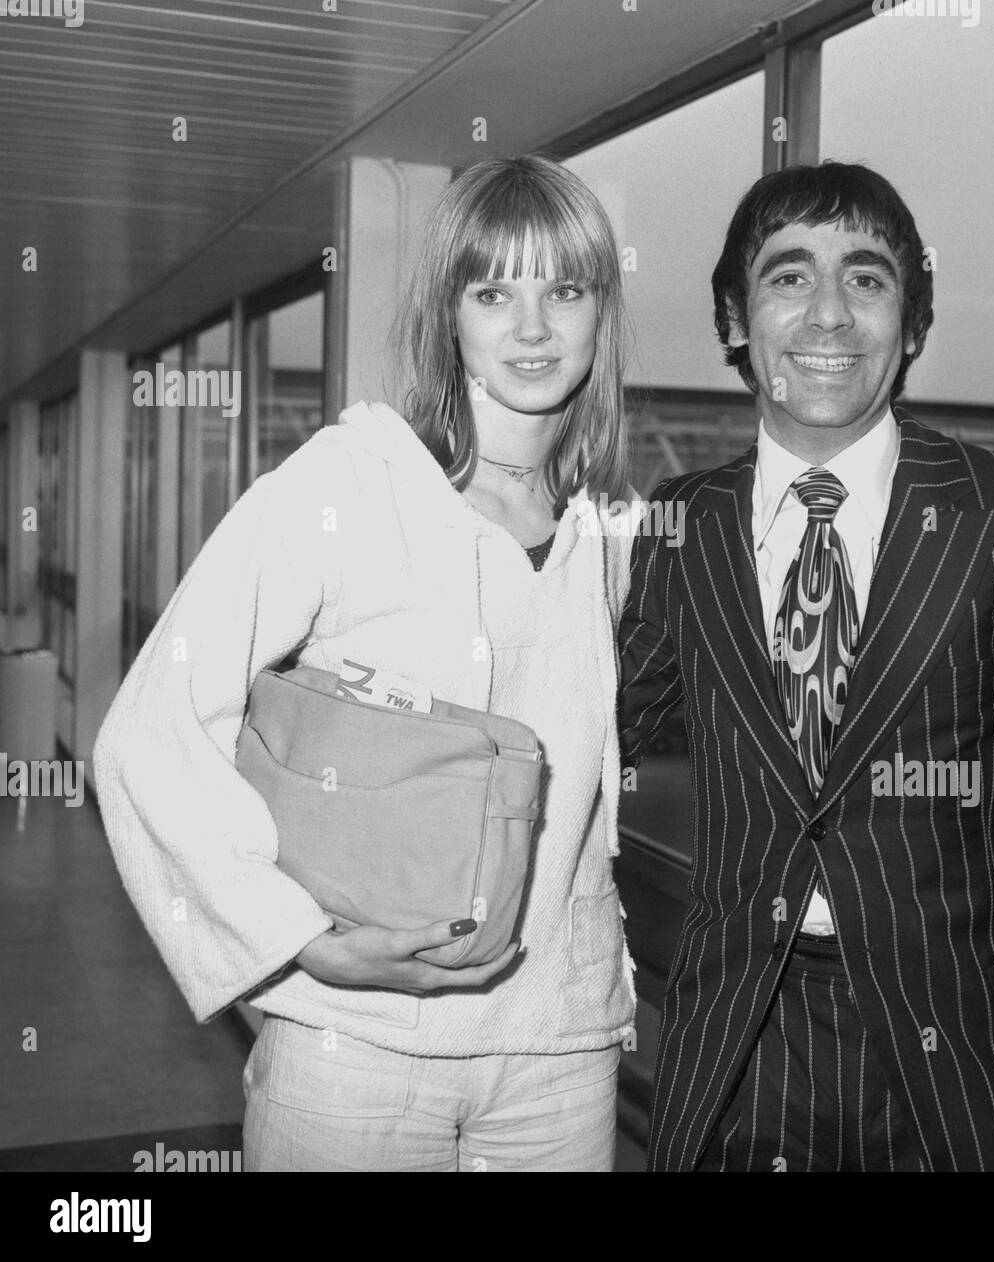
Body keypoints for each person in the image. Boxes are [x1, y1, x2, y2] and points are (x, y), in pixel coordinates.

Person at [94, 154, 638, 1172]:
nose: (531, 327)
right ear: (449, 316)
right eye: (493, 291)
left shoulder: (601, 533)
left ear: (599, 316)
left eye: (563, 290)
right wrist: (293, 934)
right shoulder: (351, 482)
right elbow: (149, 732)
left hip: (557, 1051)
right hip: (356, 1046)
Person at [617, 161, 994, 1172]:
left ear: (910, 324)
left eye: (865, 279)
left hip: (956, 1055)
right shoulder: (678, 524)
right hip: (743, 1045)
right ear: (733, 321)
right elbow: (583, 735)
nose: (828, 314)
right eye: (787, 277)